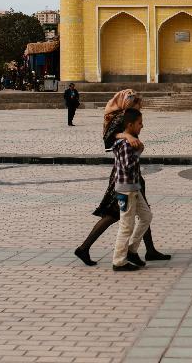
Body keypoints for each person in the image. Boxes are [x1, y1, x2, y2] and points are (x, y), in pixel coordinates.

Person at [75, 89, 169, 266]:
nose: (139, 106)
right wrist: (125, 135)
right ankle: (86, 248)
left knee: (143, 212)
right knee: (115, 214)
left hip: (130, 175)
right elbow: (109, 140)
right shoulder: (121, 117)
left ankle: (147, 249)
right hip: (123, 177)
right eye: (136, 103)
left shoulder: (126, 116)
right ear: (128, 102)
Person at [108, 108, 152, 271]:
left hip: (134, 188)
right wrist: (139, 151)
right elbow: (128, 166)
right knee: (126, 225)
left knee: (146, 216)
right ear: (130, 124)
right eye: (139, 123)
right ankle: (119, 261)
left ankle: (132, 250)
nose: (142, 126)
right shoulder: (126, 144)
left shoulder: (127, 140)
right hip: (126, 190)